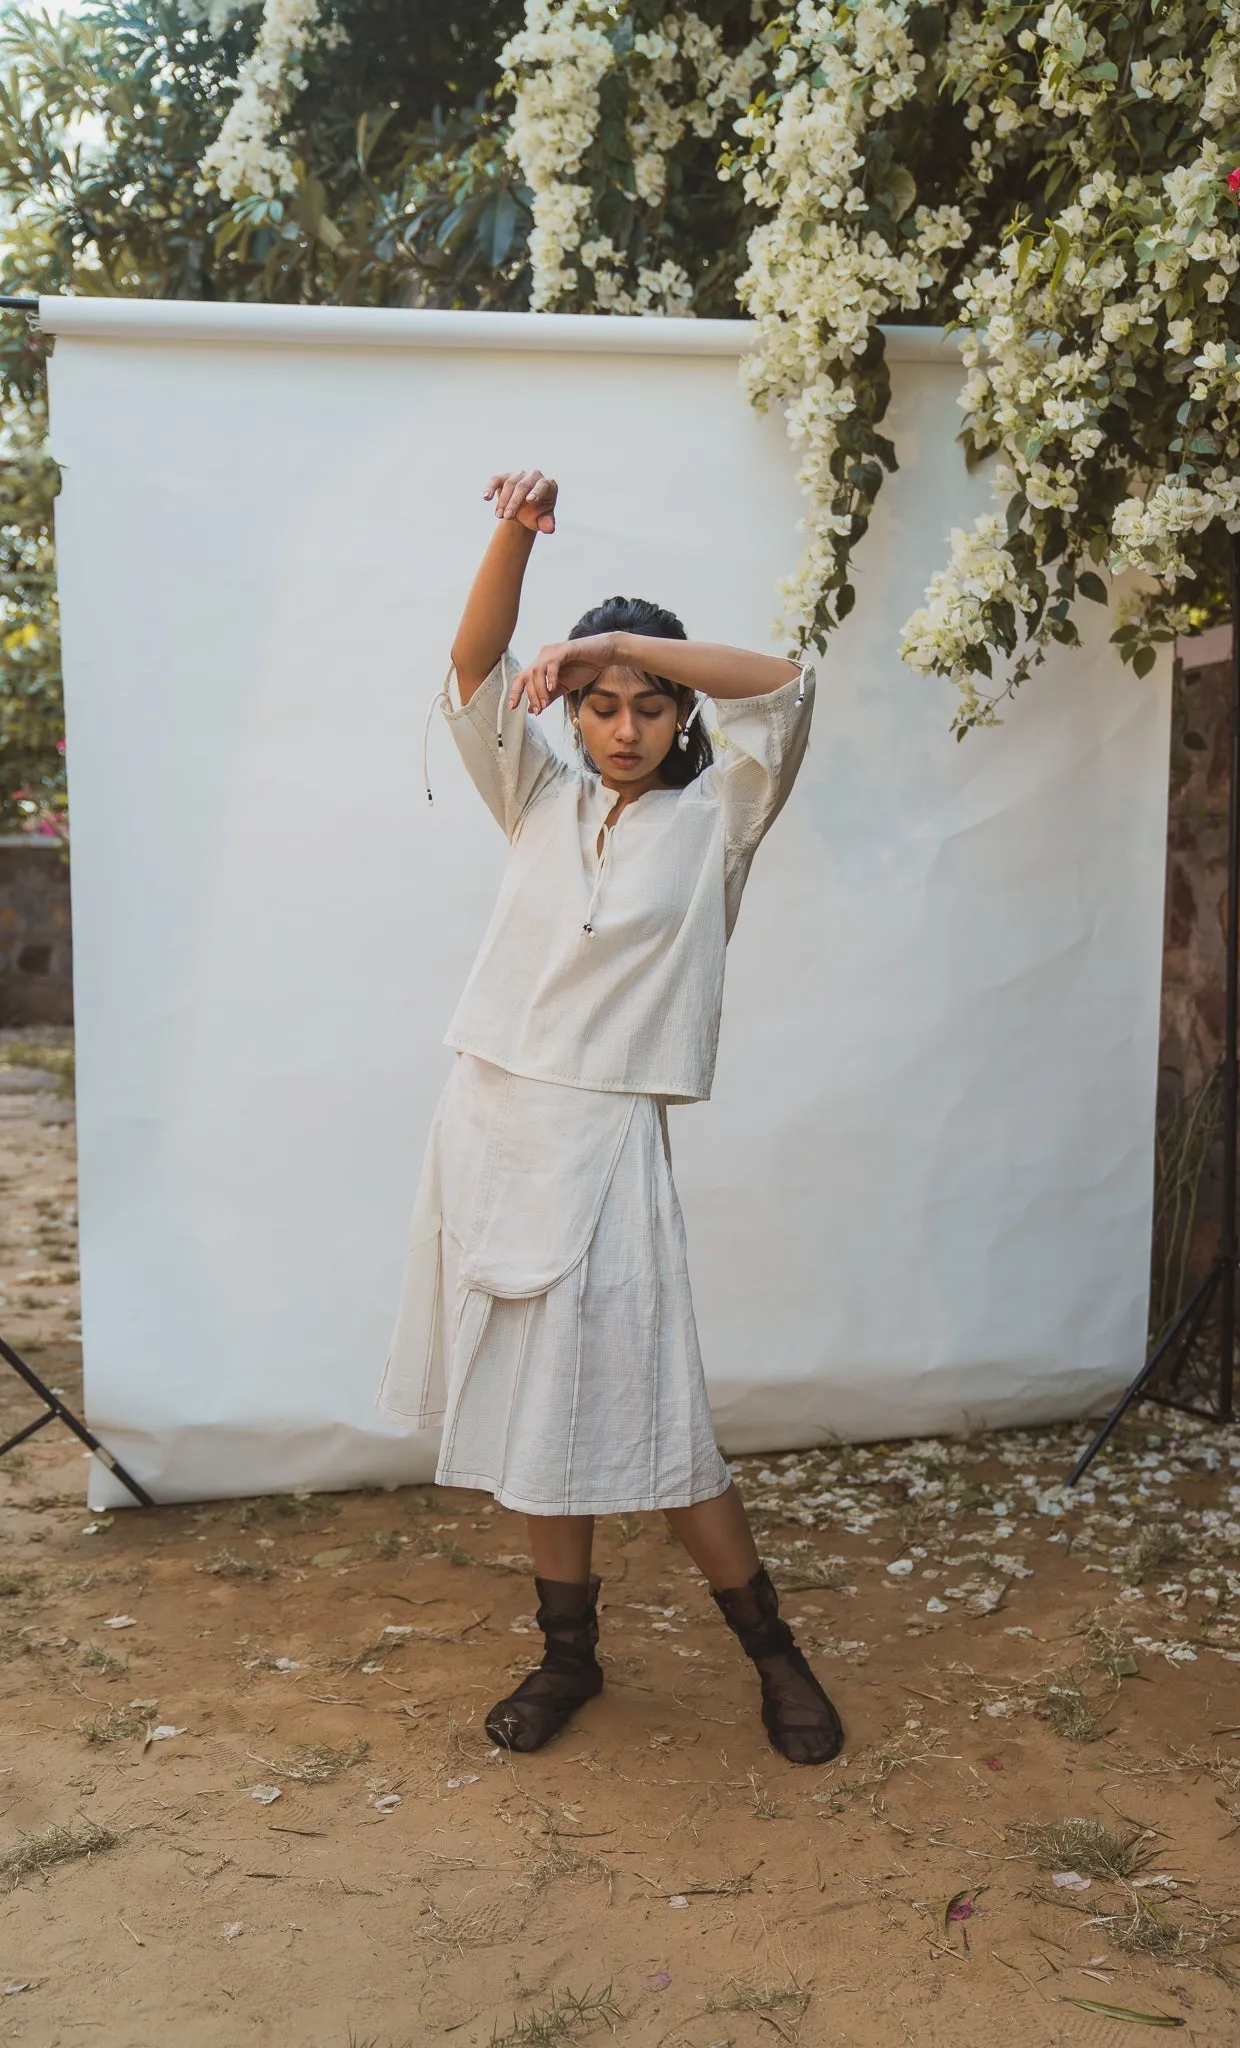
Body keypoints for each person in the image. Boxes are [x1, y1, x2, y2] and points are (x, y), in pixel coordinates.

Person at [377, 467, 841, 1766]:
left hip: (607, 1135)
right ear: (569, 716)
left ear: (675, 707)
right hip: (488, 1114)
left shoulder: (722, 818)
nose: (622, 725)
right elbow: (472, 663)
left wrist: (618, 638)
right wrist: (514, 535)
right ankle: (567, 1656)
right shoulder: (538, 798)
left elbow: (790, 681)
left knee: (655, 1405)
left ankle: (773, 1654)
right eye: (598, 704)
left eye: (644, 704)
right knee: (535, 1408)